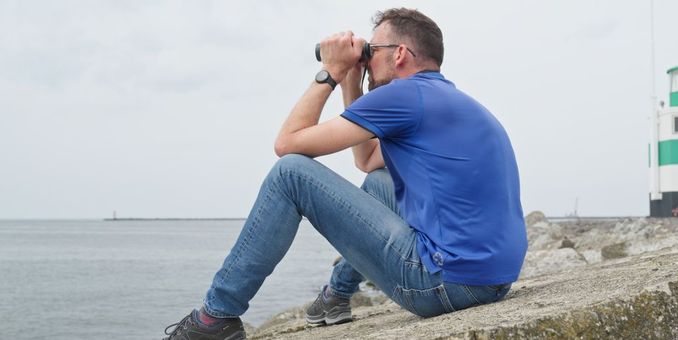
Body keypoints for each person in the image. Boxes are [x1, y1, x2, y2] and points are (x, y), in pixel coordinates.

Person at [163, 8, 527, 340]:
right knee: (380, 184)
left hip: (445, 285)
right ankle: (336, 295)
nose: (366, 61)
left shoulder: (402, 96)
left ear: (399, 54)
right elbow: (367, 160)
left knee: (290, 174)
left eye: (371, 52)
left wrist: (332, 72)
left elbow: (287, 144)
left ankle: (215, 318)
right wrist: (355, 80)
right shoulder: (444, 102)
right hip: (490, 279)